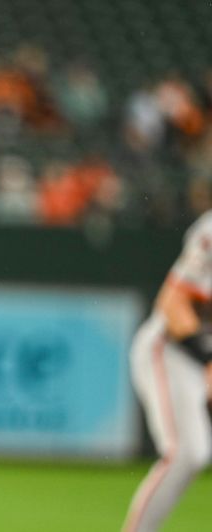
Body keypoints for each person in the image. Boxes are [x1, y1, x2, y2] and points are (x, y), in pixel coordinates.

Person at [123, 210, 212, 531]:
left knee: (194, 452)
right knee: (186, 453)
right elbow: (173, 303)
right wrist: (208, 362)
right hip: (171, 350)